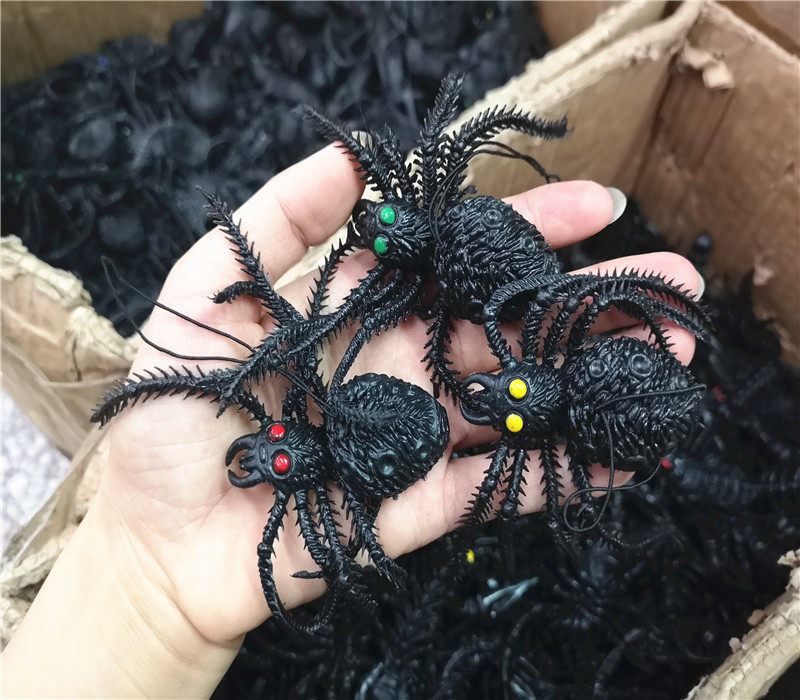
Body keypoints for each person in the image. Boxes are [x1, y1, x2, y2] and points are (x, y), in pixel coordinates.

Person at [1, 145, 702, 698]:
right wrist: (148, 584)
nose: (371, 226)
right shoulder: (345, 414)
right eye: (275, 455)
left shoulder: (501, 343)